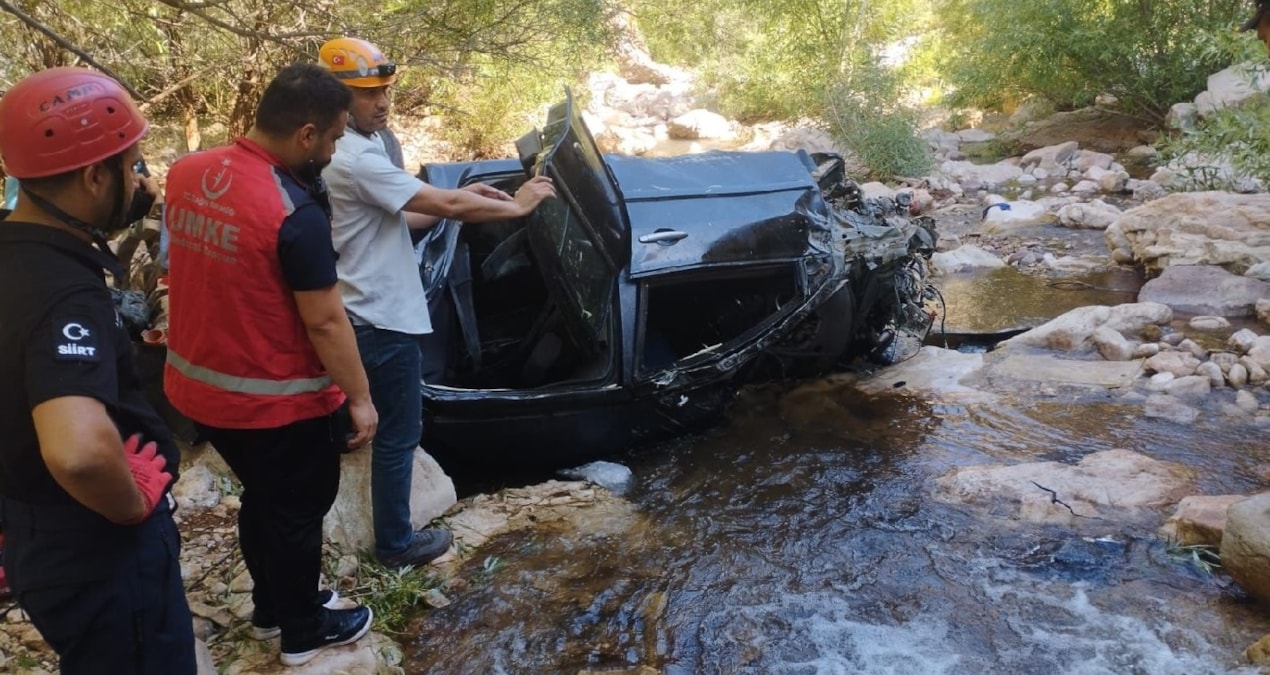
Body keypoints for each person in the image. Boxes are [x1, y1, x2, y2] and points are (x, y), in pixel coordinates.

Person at [162, 63, 379, 667]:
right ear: (306, 134)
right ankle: (304, 631)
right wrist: (359, 398)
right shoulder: (293, 213)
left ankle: (271, 607)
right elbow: (326, 321)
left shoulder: (187, 173)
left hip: (198, 389)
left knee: (265, 499)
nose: (336, 149)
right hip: (274, 401)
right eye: (336, 137)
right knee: (297, 510)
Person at [317, 37, 557, 569]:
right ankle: (397, 545)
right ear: (334, 98)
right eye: (366, 93)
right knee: (399, 434)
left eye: (384, 90)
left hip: (359, 304)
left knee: (371, 420)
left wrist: (468, 208)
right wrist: (515, 208)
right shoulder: (356, 158)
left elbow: (404, 213)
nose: (381, 103)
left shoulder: (355, 146)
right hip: (377, 313)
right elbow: (440, 198)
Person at [0, 66, 196, 674]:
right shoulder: (62, 292)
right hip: (95, 547)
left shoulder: (13, 253)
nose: (143, 181)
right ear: (92, 177)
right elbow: (80, 452)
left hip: (35, 526)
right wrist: (129, 504)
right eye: (132, 166)